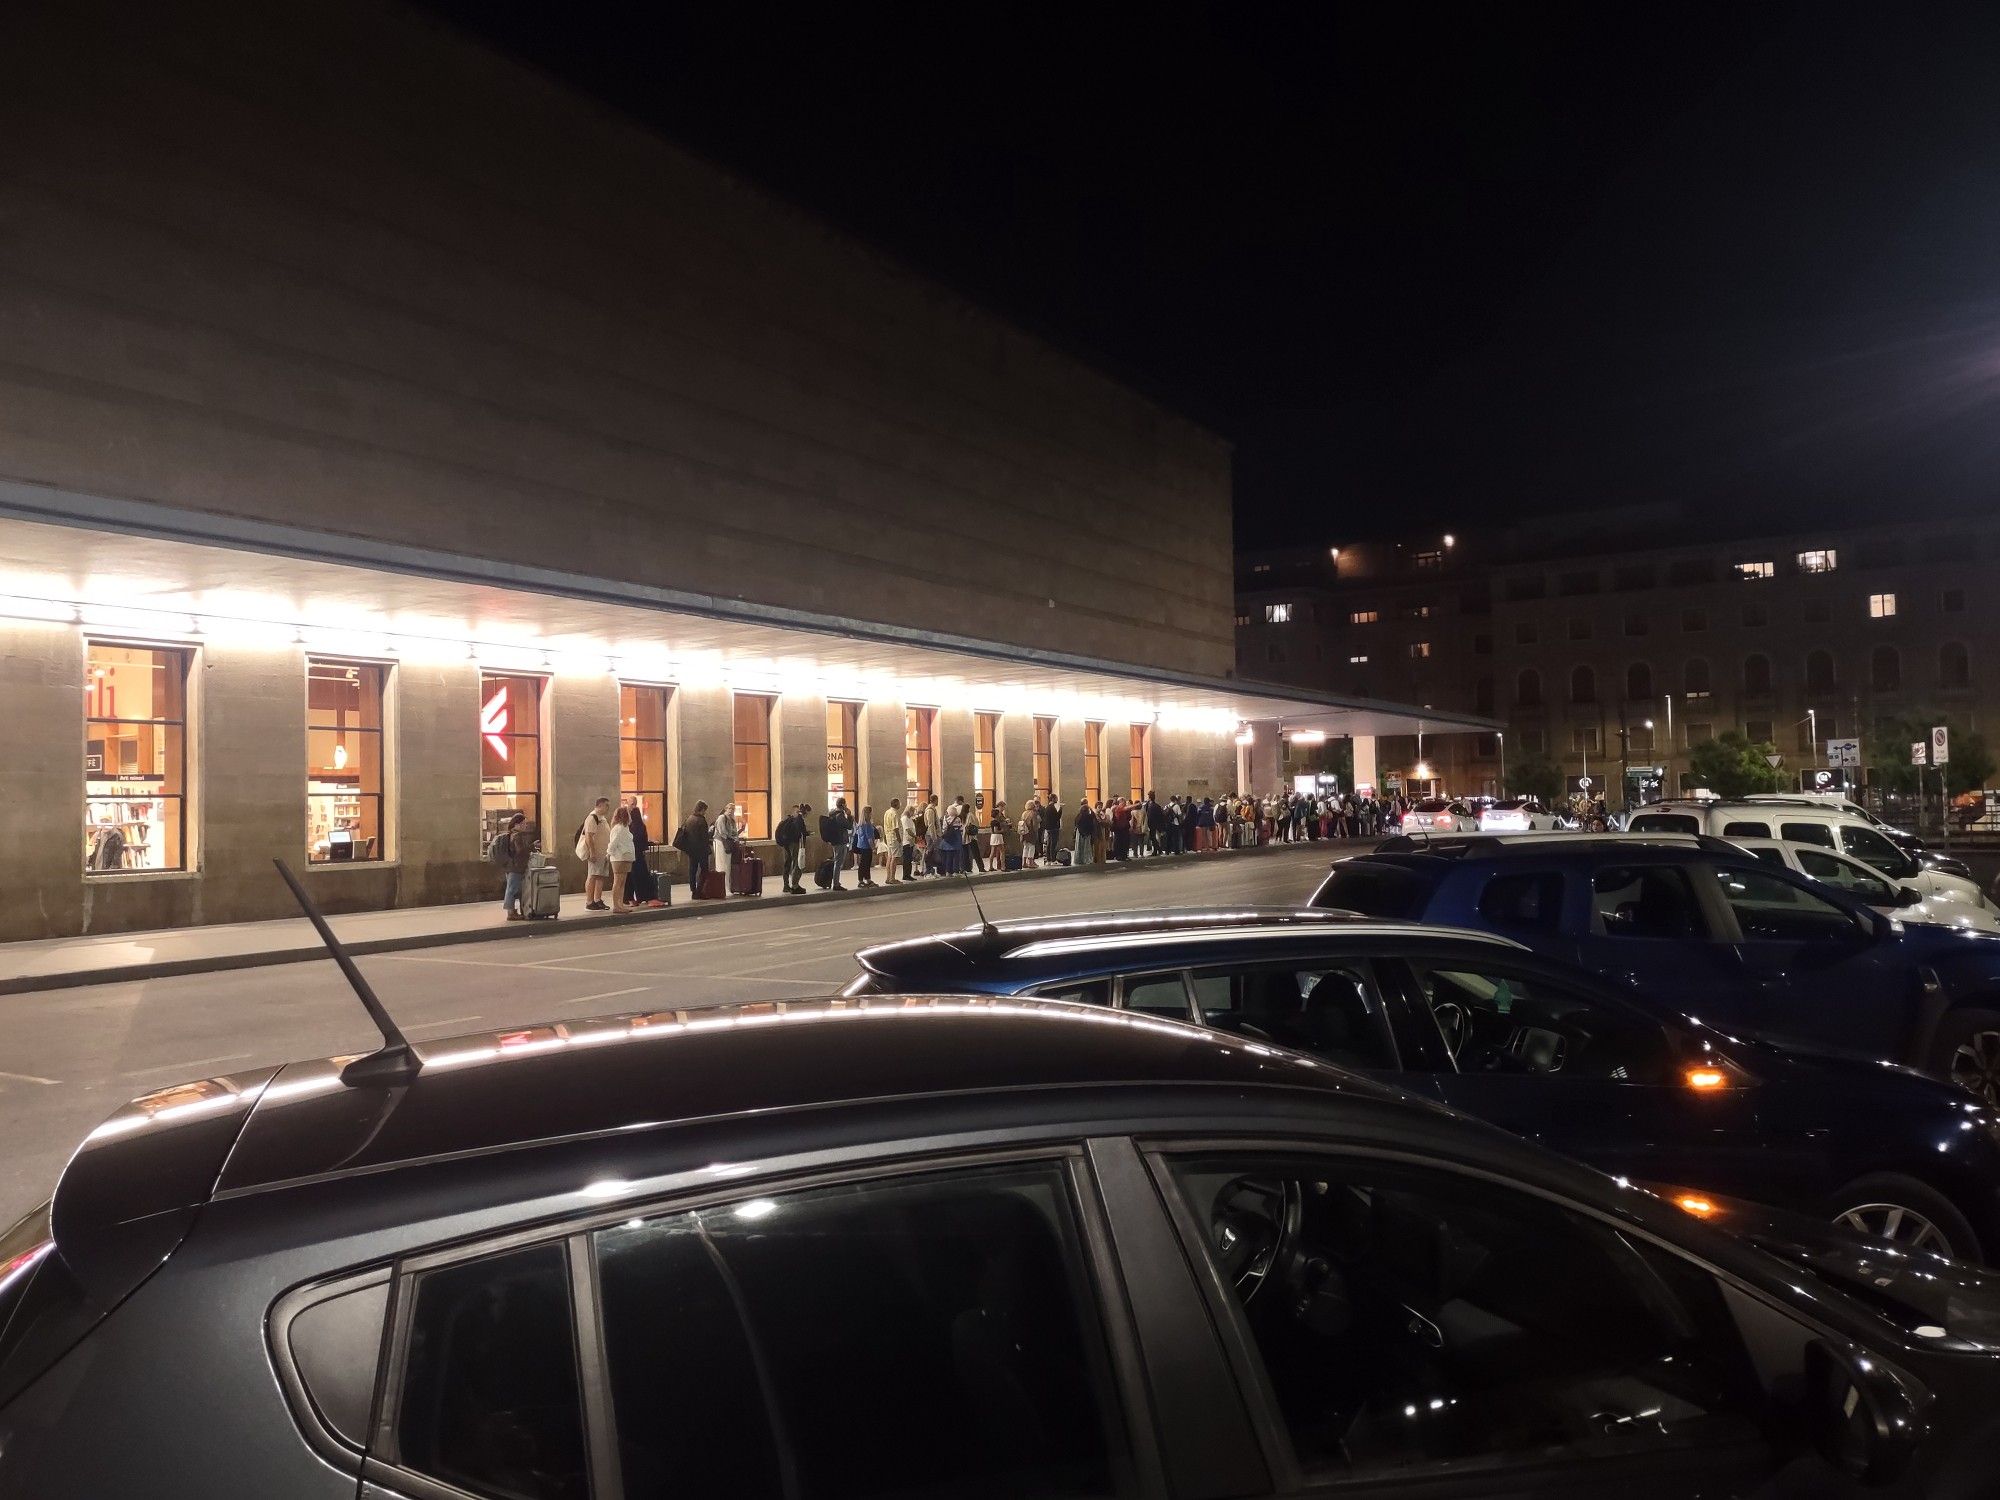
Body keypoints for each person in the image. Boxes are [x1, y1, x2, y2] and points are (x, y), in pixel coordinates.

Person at [577, 796, 612, 911]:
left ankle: (597, 899)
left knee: (600, 876)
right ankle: (589, 901)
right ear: (600, 805)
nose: (608, 808)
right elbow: (589, 836)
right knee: (592, 875)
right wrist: (592, 852)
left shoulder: (602, 818)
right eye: (606, 805)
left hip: (603, 853)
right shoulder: (592, 818)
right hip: (596, 853)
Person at [624, 797, 659, 906]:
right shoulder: (640, 826)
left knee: (630, 877)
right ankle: (642, 896)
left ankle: (629, 898)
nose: (633, 805)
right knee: (639, 876)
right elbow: (641, 839)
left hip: (630, 854)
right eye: (632, 803)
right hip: (637, 855)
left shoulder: (628, 826)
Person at [675, 801, 712, 899]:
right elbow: (704, 837)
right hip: (701, 849)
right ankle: (700, 891)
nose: (705, 812)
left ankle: (693, 890)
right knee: (704, 870)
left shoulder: (689, 819)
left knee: (692, 870)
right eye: (705, 810)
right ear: (702, 809)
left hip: (691, 849)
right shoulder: (701, 820)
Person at [497, 811, 530, 918]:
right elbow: (520, 851)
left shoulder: (512, 834)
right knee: (512, 889)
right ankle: (510, 913)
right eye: (523, 823)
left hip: (512, 866)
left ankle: (513, 911)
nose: (525, 826)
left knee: (515, 889)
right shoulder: (517, 836)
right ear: (517, 824)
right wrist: (532, 847)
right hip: (515, 867)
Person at [607, 805, 637, 912]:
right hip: (619, 857)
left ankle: (620, 905)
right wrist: (609, 853)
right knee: (618, 882)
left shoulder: (624, 828)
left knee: (622, 882)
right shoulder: (618, 828)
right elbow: (613, 843)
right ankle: (616, 905)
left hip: (625, 857)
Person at [775, 801, 809, 894]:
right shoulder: (798, 820)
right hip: (794, 843)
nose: (799, 813)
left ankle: (786, 885)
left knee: (787, 864)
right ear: (794, 812)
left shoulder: (787, 820)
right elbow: (800, 832)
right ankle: (795, 885)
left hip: (785, 844)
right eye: (797, 812)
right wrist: (807, 833)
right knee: (796, 863)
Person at [825, 797, 854, 889]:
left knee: (837, 862)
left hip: (835, 841)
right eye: (845, 804)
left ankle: (835, 882)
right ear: (843, 805)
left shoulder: (833, 813)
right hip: (840, 841)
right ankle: (836, 884)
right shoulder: (840, 815)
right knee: (838, 862)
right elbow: (849, 826)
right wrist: (849, 816)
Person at [853, 804, 878, 885]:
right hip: (867, 847)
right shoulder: (867, 825)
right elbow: (869, 838)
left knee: (863, 863)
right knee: (865, 864)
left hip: (861, 846)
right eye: (871, 813)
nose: (871, 814)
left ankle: (866, 879)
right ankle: (863, 880)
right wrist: (873, 848)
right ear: (868, 814)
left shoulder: (860, 824)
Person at [899, 798, 920, 882]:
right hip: (906, 841)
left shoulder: (909, 819)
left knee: (909, 859)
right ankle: (906, 875)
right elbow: (908, 830)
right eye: (912, 811)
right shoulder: (904, 819)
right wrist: (915, 836)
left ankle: (908, 874)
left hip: (910, 842)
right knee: (907, 859)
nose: (913, 813)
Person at [964, 796, 986, 872]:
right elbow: (976, 823)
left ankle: (967, 868)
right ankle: (981, 868)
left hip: (964, 837)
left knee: (966, 854)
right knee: (976, 853)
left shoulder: (962, 816)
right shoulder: (970, 815)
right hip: (971, 837)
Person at [1074, 798, 1097, 866]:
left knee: (1079, 847)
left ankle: (1079, 860)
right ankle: (1086, 859)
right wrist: (1091, 809)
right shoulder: (1088, 816)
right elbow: (1093, 818)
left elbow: (1076, 824)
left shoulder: (1079, 815)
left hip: (1080, 833)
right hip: (1086, 833)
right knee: (1086, 848)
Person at [1018, 799, 1040, 868]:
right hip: (1031, 832)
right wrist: (1036, 830)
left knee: (1025, 847)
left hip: (1024, 832)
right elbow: (1034, 825)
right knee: (1031, 847)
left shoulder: (1024, 813)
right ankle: (1030, 862)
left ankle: (1024, 862)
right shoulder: (1033, 813)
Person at [988, 800, 1009, 869]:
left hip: (993, 837)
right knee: (1002, 851)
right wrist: (1002, 830)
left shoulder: (992, 821)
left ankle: (990, 866)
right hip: (998, 836)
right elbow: (996, 830)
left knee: (992, 852)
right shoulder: (996, 822)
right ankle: (1003, 866)